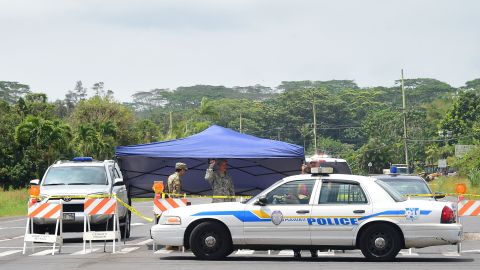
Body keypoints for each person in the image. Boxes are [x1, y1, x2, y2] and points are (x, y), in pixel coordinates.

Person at [293, 164, 318, 259]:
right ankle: (312, 252)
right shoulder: (311, 181)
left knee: (300, 232)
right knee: (307, 231)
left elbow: (296, 193)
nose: (301, 173)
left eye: (303, 171)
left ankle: (298, 251)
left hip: (302, 208)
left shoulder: (302, 181)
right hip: (304, 209)